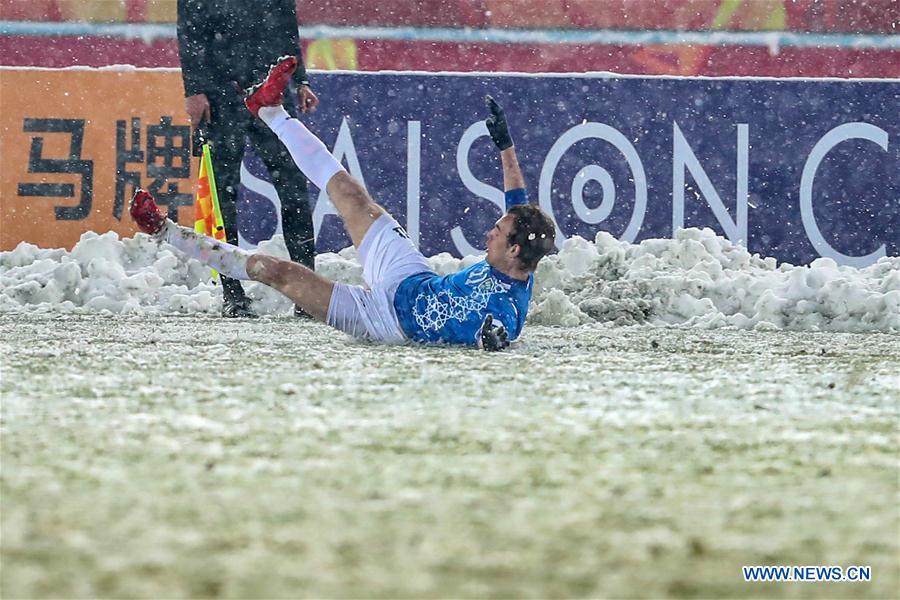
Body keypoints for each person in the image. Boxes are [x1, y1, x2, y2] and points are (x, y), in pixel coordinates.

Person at [131, 56, 556, 350]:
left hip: (384, 321)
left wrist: (492, 341)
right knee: (349, 192)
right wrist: (504, 143)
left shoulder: (507, 309)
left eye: (497, 233)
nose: (490, 232)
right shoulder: (516, 252)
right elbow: (516, 198)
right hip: (411, 276)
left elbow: (496, 333)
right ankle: (270, 110)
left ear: (515, 250)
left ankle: (163, 230)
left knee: (275, 271)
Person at [177, 0, 319, 318]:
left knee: (294, 187)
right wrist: (194, 90)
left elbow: (286, 23)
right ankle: (232, 293)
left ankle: (306, 291)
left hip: (272, 91)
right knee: (223, 196)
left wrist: (301, 79)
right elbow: (190, 30)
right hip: (220, 93)